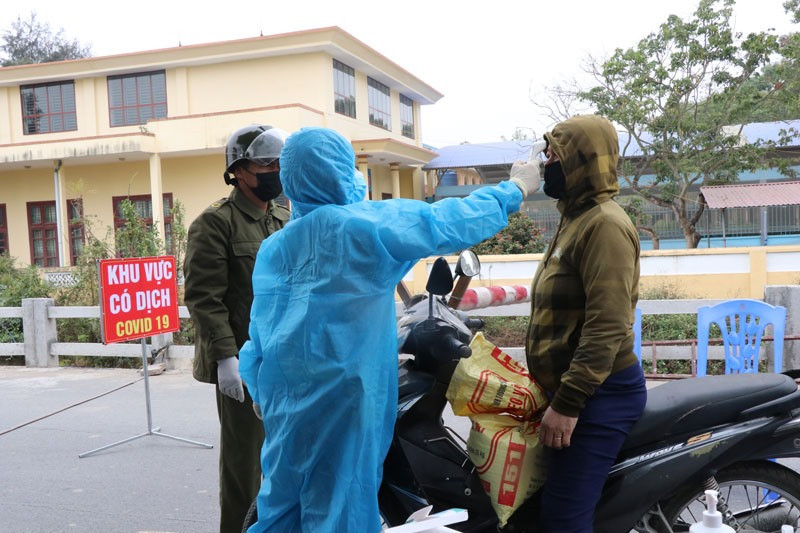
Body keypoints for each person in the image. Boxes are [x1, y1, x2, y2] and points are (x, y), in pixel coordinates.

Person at [238, 126, 542, 532]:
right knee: (341, 508)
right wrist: (515, 189)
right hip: (343, 402)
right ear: (341, 170)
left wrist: (259, 388)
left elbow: (260, 331)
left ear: (292, 178)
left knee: (280, 507)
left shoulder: (275, 247)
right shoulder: (358, 230)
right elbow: (443, 223)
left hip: (284, 403)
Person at [524, 115, 647, 532]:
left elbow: (607, 324)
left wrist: (568, 402)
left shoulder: (605, 226)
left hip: (600, 395)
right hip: (578, 390)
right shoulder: (575, 217)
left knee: (563, 520)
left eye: (553, 154)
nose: (545, 162)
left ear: (582, 161)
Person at [183, 124, 290, 533]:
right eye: (265, 163)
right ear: (239, 170)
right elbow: (204, 298)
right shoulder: (215, 224)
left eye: (278, 162)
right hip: (242, 364)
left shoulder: (281, 217)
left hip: (282, 357)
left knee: (282, 459)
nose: (274, 170)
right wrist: (226, 359)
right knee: (244, 466)